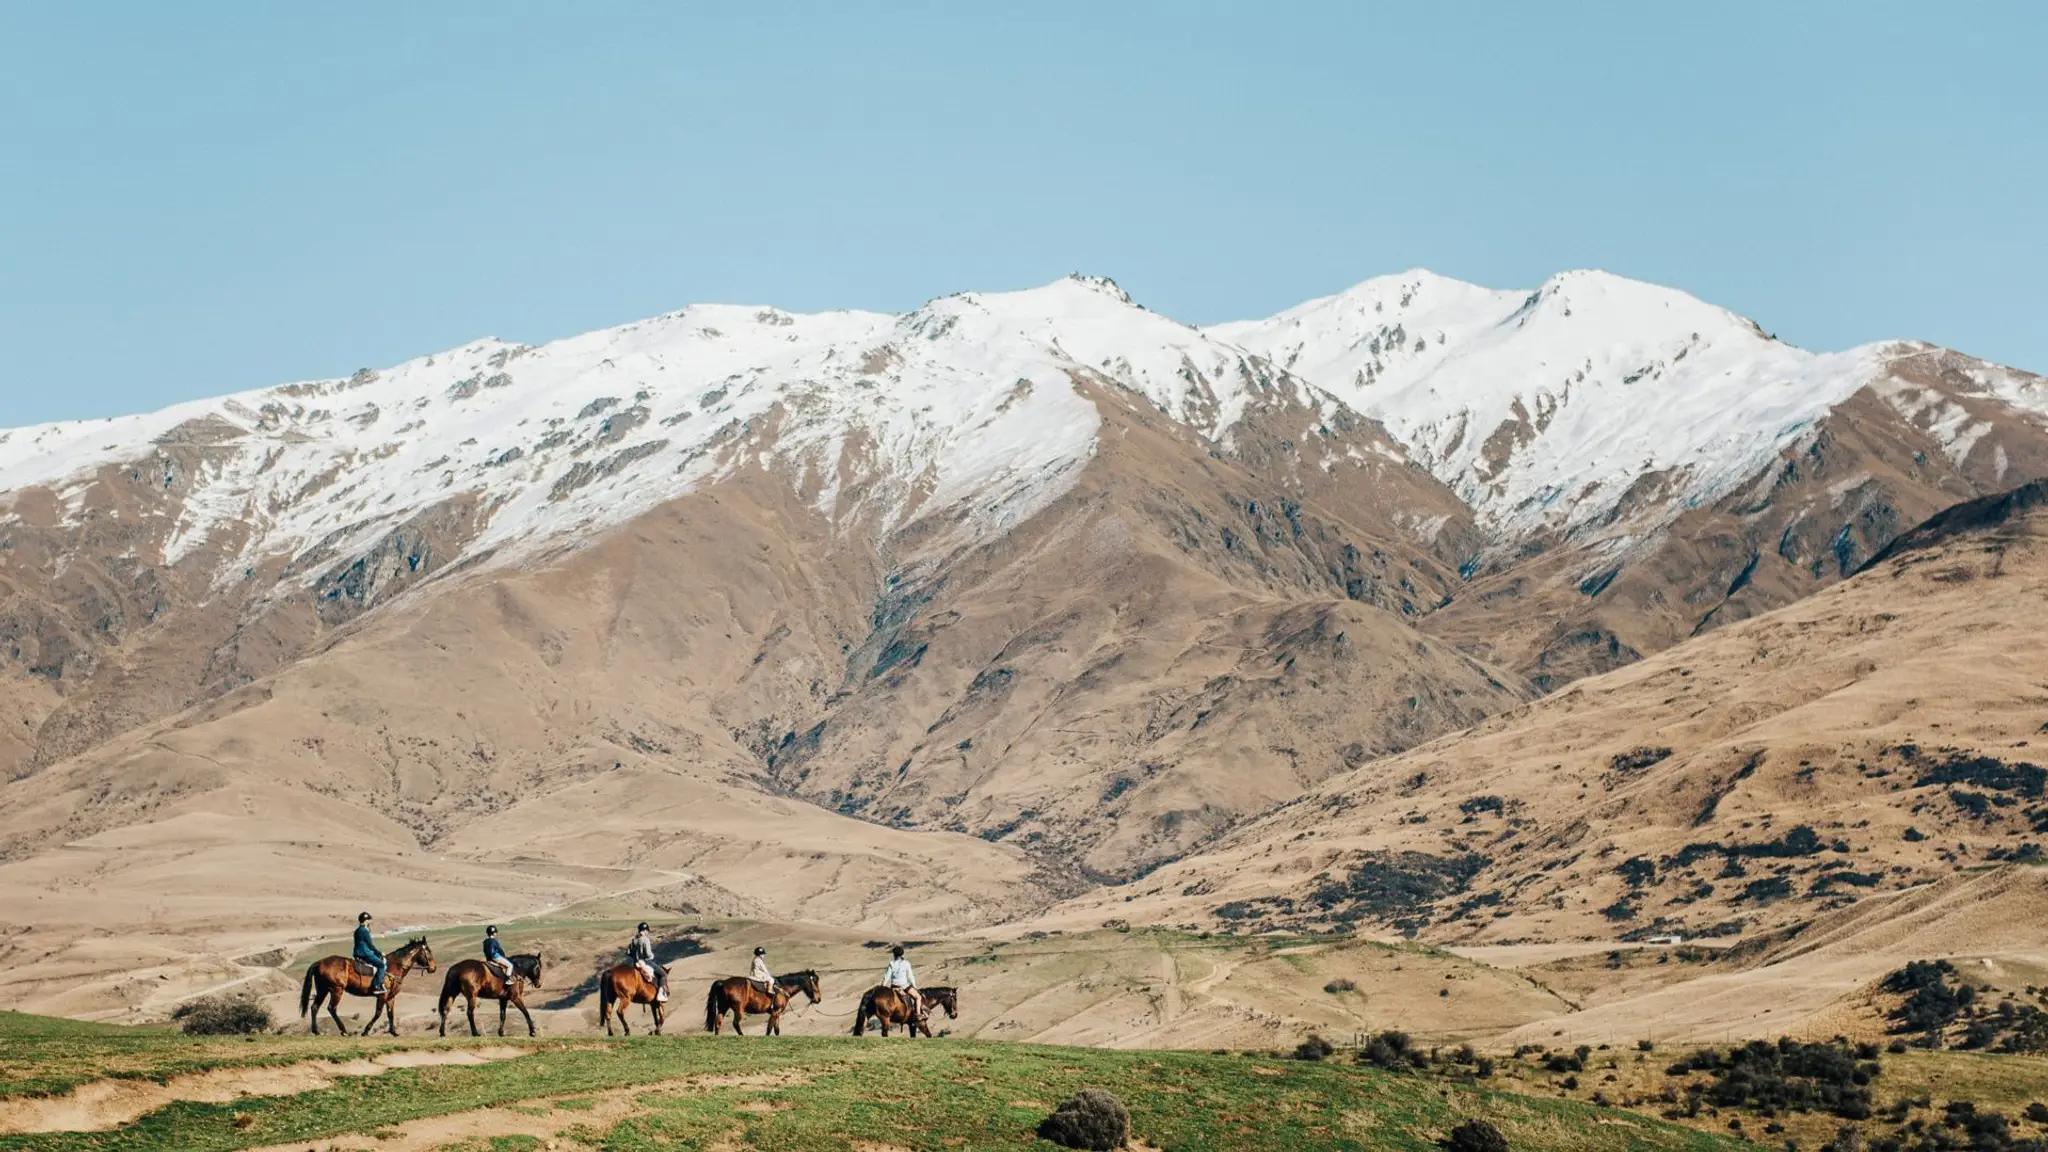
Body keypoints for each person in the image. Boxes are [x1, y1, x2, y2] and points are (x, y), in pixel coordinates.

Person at [883, 944, 924, 1023]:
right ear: (902, 954)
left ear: (894, 954)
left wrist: (883, 986)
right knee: (918, 997)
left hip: (894, 987)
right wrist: (914, 986)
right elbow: (910, 976)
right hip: (904, 986)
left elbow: (886, 977)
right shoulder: (906, 963)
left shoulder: (891, 963)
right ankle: (918, 1015)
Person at [627, 922, 666, 1000]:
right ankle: (660, 994)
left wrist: (635, 956)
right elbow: (648, 954)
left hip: (635, 963)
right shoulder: (645, 939)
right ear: (645, 930)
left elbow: (628, 953)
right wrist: (652, 956)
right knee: (663, 974)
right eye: (647, 931)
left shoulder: (633, 940)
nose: (647, 933)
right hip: (645, 962)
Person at [353, 911, 387, 994]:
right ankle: (376, 985)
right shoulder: (364, 931)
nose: (370, 922)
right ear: (366, 921)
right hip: (365, 953)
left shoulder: (357, 930)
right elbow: (370, 945)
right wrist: (379, 953)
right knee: (381, 965)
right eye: (369, 920)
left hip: (357, 953)